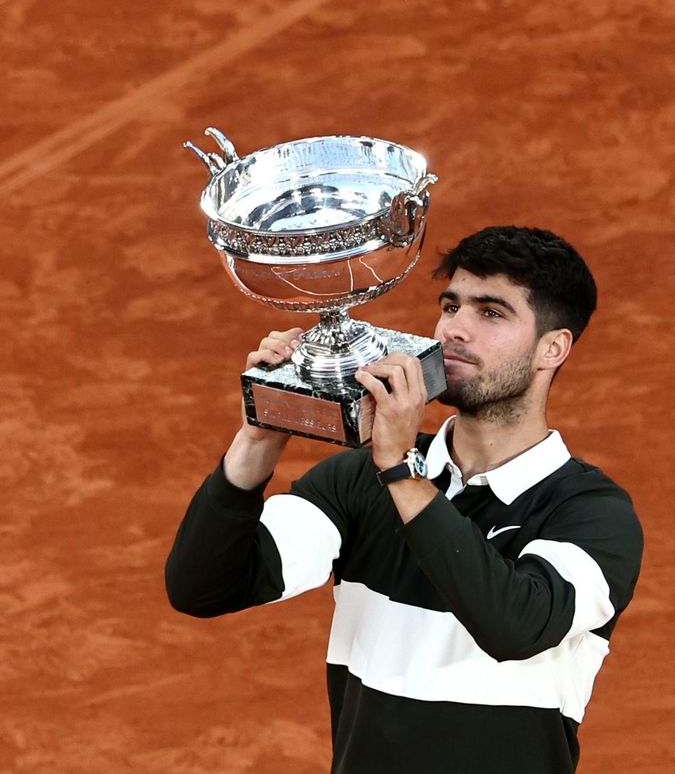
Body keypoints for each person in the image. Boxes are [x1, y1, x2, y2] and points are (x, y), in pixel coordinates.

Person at [164, 226, 643, 774]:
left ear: (552, 348)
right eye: (451, 306)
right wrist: (261, 434)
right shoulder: (356, 482)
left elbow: (514, 625)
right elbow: (202, 587)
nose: (454, 330)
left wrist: (400, 471)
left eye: (491, 313)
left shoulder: (590, 513)